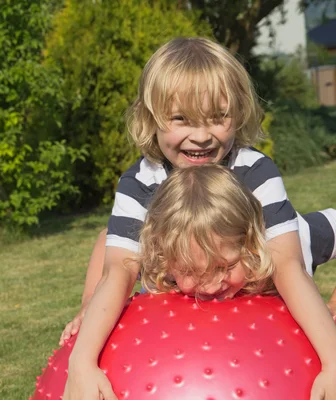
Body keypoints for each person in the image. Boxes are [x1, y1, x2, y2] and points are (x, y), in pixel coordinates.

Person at [61, 36, 336, 400]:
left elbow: (287, 267)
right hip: (187, 262)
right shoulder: (141, 183)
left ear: (238, 112)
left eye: (218, 118)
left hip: (275, 254)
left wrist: (332, 360)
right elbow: (118, 269)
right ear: (150, 118)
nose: (202, 136)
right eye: (181, 119)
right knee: (113, 242)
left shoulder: (254, 172)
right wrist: (82, 358)